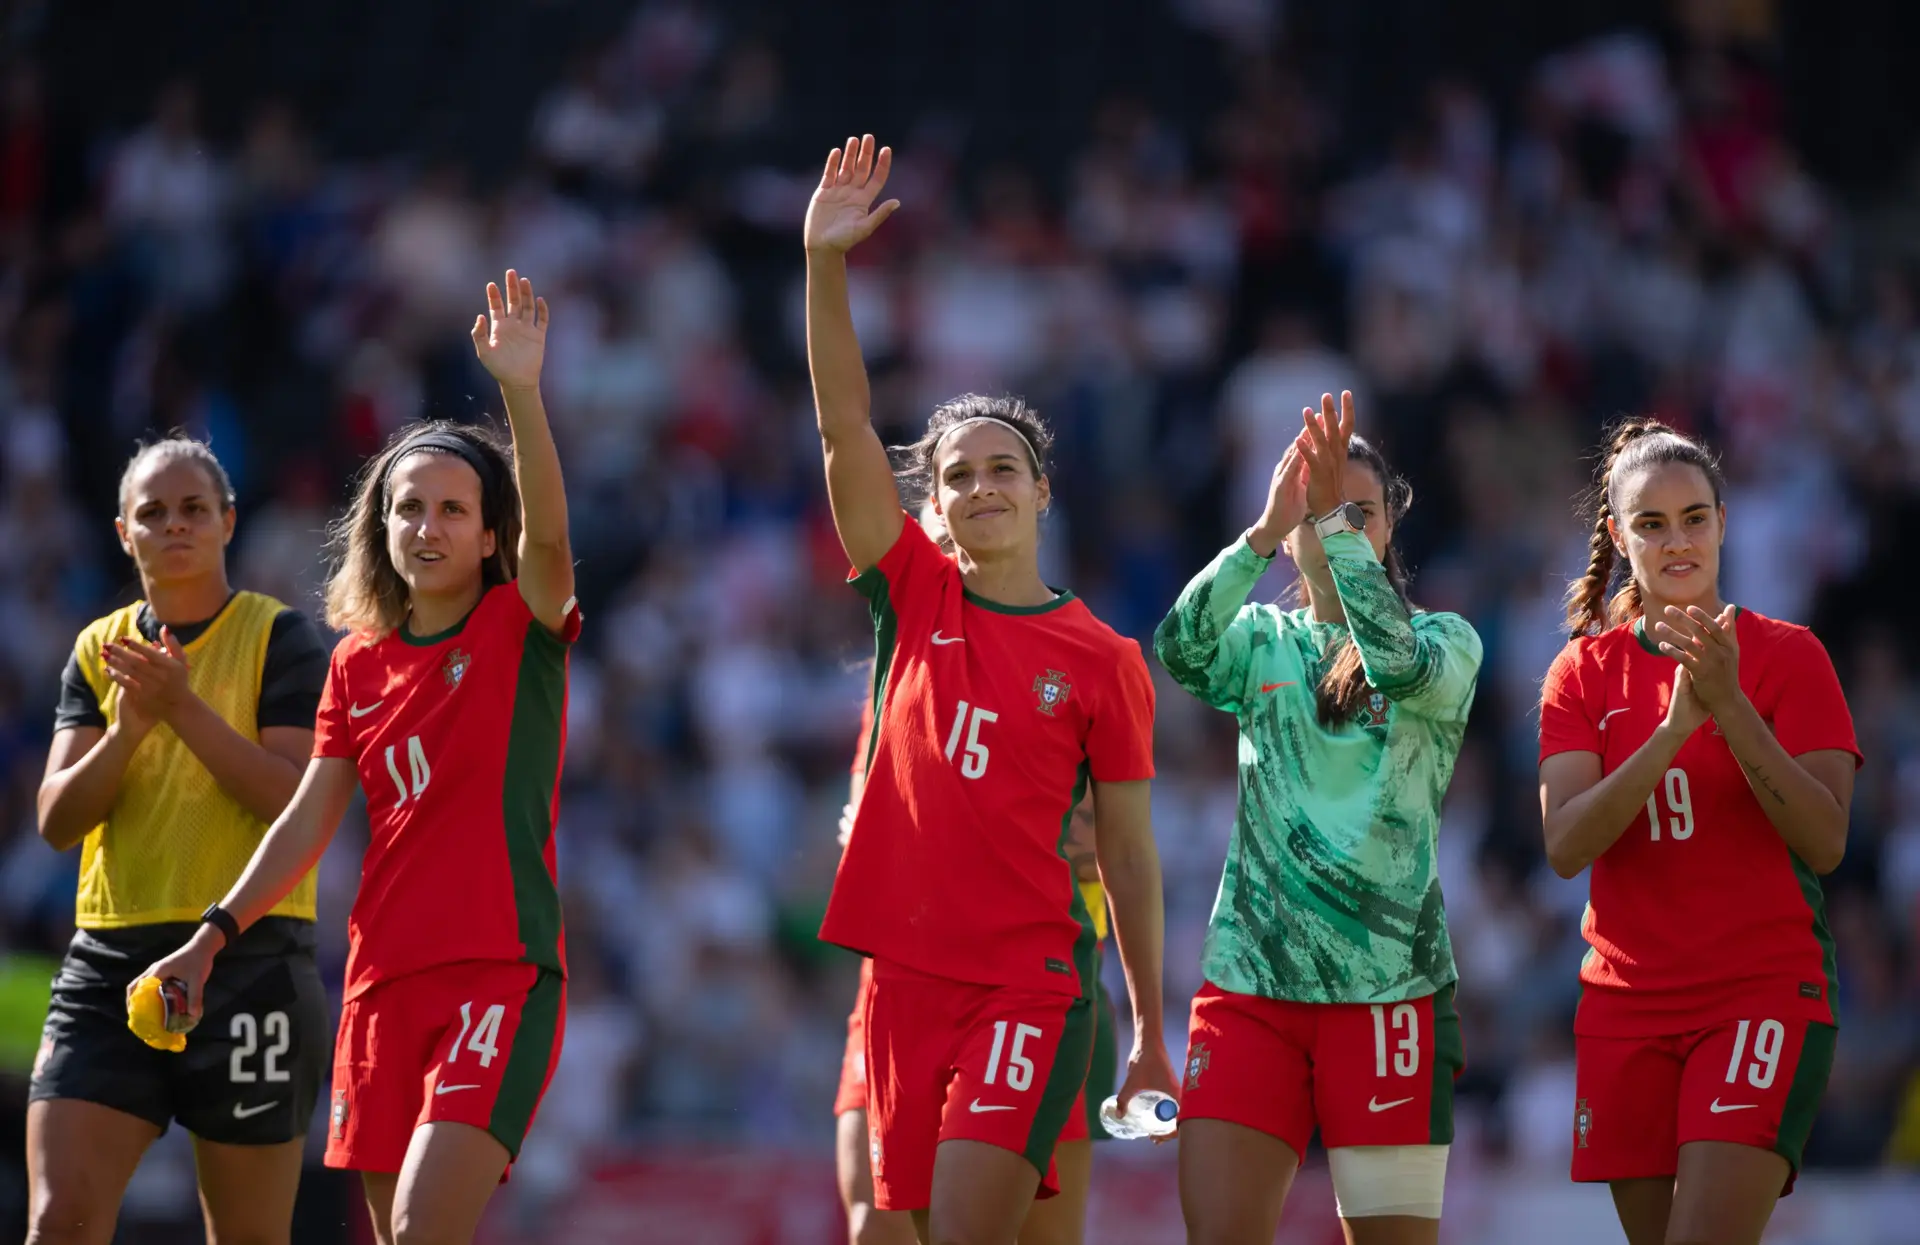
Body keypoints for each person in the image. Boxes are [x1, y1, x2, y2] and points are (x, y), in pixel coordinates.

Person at [139, 270, 581, 1245]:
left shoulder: (520, 624)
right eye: (408, 508)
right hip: (381, 987)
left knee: (424, 1229)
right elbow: (305, 817)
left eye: (454, 510)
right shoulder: (356, 663)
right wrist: (213, 933)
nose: (428, 527)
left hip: (497, 974)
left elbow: (551, 535)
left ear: (488, 531)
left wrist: (519, 391)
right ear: (379, 527)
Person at [806, 133, 1178, 1245]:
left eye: (1000, 468)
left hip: (1028, 984)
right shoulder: (912, 592)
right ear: (936, 505)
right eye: (955, 476)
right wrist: (825, 265)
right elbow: (841, 427)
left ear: (1043, 491)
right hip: (901, 985)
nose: (978, 488)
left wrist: (1149, 1023)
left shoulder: (1105, 660)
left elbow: (1129, 857)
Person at [1155, 393, 1480, 1245]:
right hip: (1249, 989)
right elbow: (1180, 647)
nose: (1335, 525)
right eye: (1317, 506)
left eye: (1358, 512)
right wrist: (1261, 532)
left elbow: (1398, 668)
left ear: (1387, 529)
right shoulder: (1263, 637)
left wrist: (1326, 521)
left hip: (1390, 996)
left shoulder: (1447, 641)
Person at [1538, 419, 1859, 1245]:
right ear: (1618, 535)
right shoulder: (1582, 672)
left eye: (1694, 517)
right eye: (1650, 522)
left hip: (1759, 992)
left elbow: (1826, 841)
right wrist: (1675, 728)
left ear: (1724, 521)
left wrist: (1729, 707)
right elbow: (1566, 845)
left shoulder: (1791, 656)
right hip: (1624, 1007)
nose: (1676, 540)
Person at [28, 435, 330, 1245]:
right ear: (123, 532)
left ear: (229, 521)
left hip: (249, 957)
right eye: (152, 513)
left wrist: (183, 707)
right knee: (61, 1219)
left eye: (194, 508)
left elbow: (290, 798)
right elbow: (57, 819)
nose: (175, 526)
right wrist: (127, 730)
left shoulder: (280, 638)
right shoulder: (99, 650)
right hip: (111, 961)